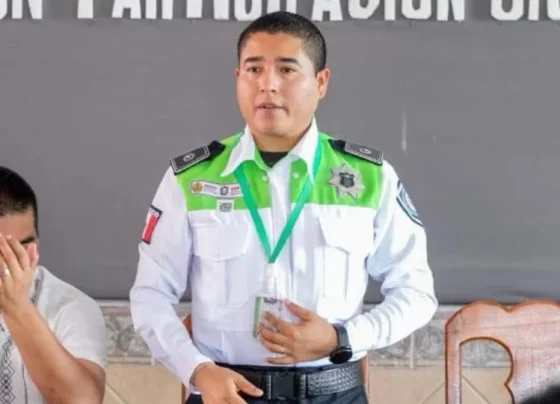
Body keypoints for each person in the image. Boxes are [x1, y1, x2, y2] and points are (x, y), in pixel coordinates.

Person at [130, 10, 437, 404]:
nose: (268, 84)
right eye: (254, 69)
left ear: (321, 82)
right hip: (226, 391)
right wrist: (197, 370)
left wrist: (342, 338)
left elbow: (416, 293)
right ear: (237, 77)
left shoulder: (368, 178)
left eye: (287, 70)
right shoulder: (192, 178)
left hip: (332, 392)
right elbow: (150, 295)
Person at [0, 166, 107, 404]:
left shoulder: (71, 307)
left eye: (22, 247)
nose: (11, 262)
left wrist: (18, 307)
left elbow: (82, 401)